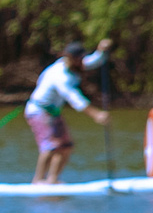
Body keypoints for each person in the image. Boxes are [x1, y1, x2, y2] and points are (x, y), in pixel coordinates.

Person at [26, 41, 111, 183]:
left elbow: (92, 61)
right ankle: (38, 181)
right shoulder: (60, 75)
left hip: (53, 112)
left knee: (66, 146)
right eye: (78, 59)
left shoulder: (75, 64)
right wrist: (96, 114)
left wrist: (101, 51)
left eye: (82, 58)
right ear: (70, 58)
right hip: (39, 111)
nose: (81, 62)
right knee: (51, 147)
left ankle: (53, 180)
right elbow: (73, 98)